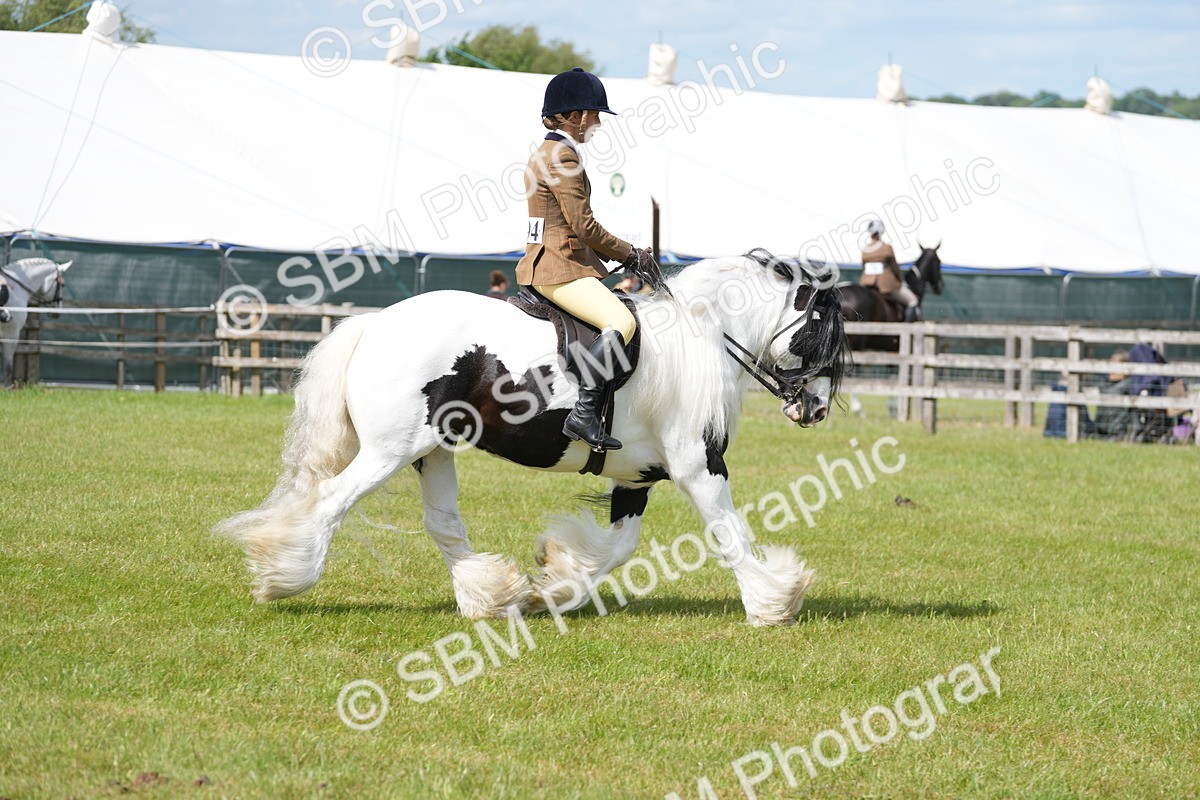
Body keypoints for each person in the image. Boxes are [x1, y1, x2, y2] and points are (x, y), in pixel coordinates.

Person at [516, 67, 657, 451]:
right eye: (594, 115)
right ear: (574, 115)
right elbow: (584, 226)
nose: (597, 123)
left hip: (549, 261)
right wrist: (631, 254)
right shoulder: (563, 156)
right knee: (622, 321)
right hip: (557, 268)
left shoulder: (545, 152)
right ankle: (584, 412)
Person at [860, 219, 920, 322]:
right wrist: (899, 279)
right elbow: (894, 267)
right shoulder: (886, 248)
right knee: (913, 300)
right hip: (885, 284)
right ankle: (906, 327)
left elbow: (864, 266)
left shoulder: (865, 250)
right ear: (881, 231)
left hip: (866, 283)